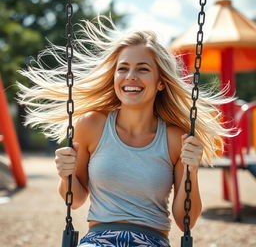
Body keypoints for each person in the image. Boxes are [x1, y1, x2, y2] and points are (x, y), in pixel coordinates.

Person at [18, 16, 236, 247]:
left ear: (160, 82)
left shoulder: (176, 138)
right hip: (98, 240)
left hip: (151, 241)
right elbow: (75, 200)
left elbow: (186, 221)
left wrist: (192, 172)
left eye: (142, 69)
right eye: (123, 68)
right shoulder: (92, 126)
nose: (131, 76)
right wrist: (66, 175)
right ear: (114, 78)